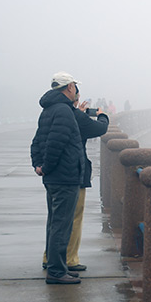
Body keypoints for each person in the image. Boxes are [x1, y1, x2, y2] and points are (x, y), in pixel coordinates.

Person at [31, 72, 86, 285]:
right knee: (61, 226)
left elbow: (37, 141)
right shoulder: (64, 111)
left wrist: (39, 165)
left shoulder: (49, 109)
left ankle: (59, 267)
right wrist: (46, 166)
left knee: (55, 223)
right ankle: (56, 271)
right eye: (74, 86)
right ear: (70, 87)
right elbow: (56, 144)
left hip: (55, 177)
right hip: (65, 177)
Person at [65, 87, 109, 271]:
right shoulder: (74, 116)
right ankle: (70, 259)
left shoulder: (52, 112)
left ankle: (49, 256)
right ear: (70, 91)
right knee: (74, 217)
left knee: (56, 218)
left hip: (55, 174)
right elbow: (100, 128)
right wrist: (102, 115)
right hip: (73, 173)